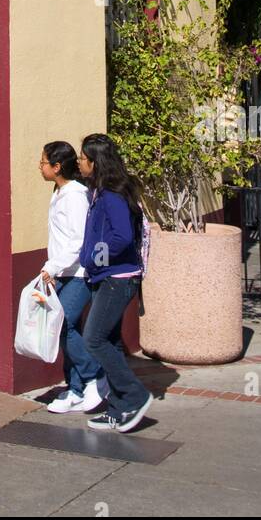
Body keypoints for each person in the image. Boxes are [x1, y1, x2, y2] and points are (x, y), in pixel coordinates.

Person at [78, 134, 153, 434]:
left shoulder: (111, 195)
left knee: (93, 339)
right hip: (105, 277)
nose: (80, 163)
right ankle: (118, 408)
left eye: (83, 158)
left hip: (116, 279)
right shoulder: (99, 193)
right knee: (107, 341)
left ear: (95, 163)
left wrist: (95, 259)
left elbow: (121, 237)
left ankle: (135, 395)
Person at [36, 141, 108, 415]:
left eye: (43, 162)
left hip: (79, 273)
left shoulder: (75, 195)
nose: (39, 167)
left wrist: (51, 267)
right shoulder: (60, 191)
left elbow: (78, 241)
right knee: (68, 327)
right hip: (63, 272)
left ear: (56, 167)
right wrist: (53, 269)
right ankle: (75, 389)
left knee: (63, 322)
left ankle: (94, 376)